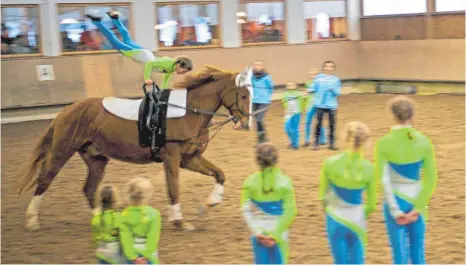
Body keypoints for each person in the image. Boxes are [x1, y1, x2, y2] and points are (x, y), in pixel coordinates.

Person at [375, 96, 437, 264]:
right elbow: (431, 178)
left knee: (400, 253)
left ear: (392, 115)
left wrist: (395, 210)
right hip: (417, 198)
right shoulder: (424, 140)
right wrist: (418, 208)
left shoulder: (384, 142)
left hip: (395, 199)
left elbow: (383, 180)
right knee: (418, 251)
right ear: (412, 115)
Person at [85, 11, 192, 89]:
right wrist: (146, 78)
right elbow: (150, 64)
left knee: (127, 39)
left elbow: (166, 79)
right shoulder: (169, 63)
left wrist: (164, 91)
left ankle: (115, 18)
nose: (183, 73)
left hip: (145, 53)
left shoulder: (171, 69)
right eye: (184, 71)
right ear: (179, 65)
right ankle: (97, 22)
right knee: (114, 41)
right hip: (139, 55)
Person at [319, 121, 376, 264]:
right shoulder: (369, 168)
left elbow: (323, 197)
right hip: (357, 218)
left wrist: (330, 211)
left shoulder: (329, 163)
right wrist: (361, 214)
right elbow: (372, 205)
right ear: (365, 142)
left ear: (345, 137)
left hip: (335, 217)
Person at [240, 142, 297, 264]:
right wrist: (275, 235)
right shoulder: (285, 182)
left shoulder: (249, 182)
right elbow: (290, 211)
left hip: (259, 234)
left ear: (257, 160)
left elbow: (245, 210)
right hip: (279, 233)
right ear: (276, 159)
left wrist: (257, 232)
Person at [120, 176, 162, 264]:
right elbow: (153, 236)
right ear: (148, 195)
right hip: (148, 255)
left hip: (131, 255)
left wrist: (132, 256)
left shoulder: (124, 215)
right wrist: (147, 255)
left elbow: (125, 238)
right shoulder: (154, 213)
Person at [310, 61, 341, 150]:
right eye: (327, 66)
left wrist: (332, 90)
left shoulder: (336, 79)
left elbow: (338, 93)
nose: (329, 68)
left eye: (331, 67)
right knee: (318, 124)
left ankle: (332, 144)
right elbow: (313, 87)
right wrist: (310, 90)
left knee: (332, 125)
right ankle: (316, 143)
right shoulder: (318, 78)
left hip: (332, 105)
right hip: (319, 104)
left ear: (333, 69)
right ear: (324, 68)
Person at [91, 184, 125, 264]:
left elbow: (95, 238)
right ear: (115, 200)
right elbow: (122, 236)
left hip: (101, 250)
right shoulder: (119, 217)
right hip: (115, 249)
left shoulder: (96, 219)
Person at [251, 60, 274, 144]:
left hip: (264, 101)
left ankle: (261, 139)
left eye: (259, 65)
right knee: (257, 121)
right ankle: (262, 138)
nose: (257, 66)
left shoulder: (267, 77)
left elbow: (271, 88)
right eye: (255, 65)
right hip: (254, 101)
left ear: (263, 67)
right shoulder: (251, 77)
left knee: (259, 119)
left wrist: (267, 97)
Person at [303, 68, 326, 147]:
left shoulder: (320, 83)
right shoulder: (308, 83)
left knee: (320, 122)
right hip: (310, 105)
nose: (312, 76)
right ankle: (307, 140)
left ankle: (323, 139)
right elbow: (307, 94)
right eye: (310, 74)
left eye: (314, 74)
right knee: (307, 122)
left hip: (318, 105)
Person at [282, 82, 304, 150]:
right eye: (288, 85)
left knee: (294, 130)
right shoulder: (285, 94)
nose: (290, 86)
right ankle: (292, 141)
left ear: (295, 86)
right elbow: (284, 105)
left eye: (291, 85)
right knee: (287, 129)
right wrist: (285, 113)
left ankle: (295, 145)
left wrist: (300, 111)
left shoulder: (298, 94)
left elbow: (302, 102)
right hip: (288, 114)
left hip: (296, 113)